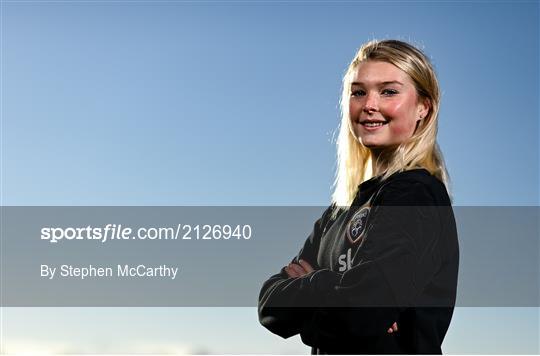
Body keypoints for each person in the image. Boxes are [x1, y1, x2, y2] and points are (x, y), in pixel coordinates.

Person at [258, 39, 459, 354]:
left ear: (423, 107)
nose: (369, 104)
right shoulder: (339, 212)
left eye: (388, 91)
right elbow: (270, 304)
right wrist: (340, 290)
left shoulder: (416, 196)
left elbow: (359, 315)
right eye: (358, 92)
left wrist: (316, 293)